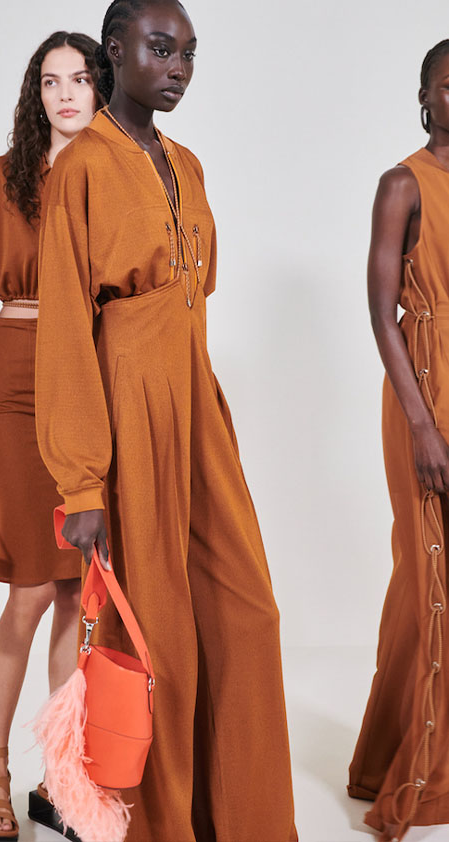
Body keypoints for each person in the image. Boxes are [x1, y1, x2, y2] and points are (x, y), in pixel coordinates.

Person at [35, 2, 297, 840]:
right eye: (160, 48)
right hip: (126, 408)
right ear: (115, 52)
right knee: (158, 639)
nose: (178, 66)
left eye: (188, 53)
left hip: (195, 404)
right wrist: (83, 482)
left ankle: (246, 823)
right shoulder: (80, 167)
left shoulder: (187, 162)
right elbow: (67, 330)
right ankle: (164, 829)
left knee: (247, 612)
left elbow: (197, 285)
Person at [0, 31, 101, 840]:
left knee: (77, 589)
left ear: (103, 89)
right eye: (50, 82)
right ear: (36, 96)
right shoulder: (0, 179)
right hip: (18, 384)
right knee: (32, 588)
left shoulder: (116, 177)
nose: (65, 95)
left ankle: (60, 774)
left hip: (94, 388)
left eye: (81, 79)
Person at [348, 39, 449, 842]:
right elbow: (382, 313)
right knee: (429, 576)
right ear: (424, 95)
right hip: (426, 389)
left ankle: (382, 752)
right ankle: (416, 774)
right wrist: (421, 422)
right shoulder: (403, 184)